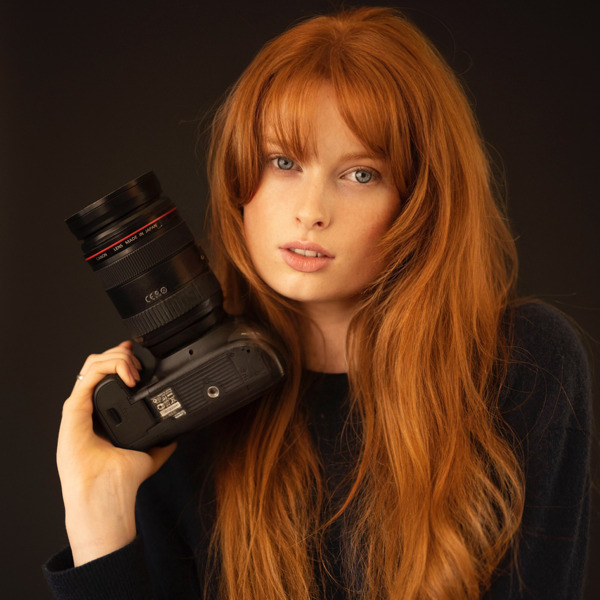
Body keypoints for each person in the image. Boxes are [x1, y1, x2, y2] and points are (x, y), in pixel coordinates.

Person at [44, 6, 591, 599]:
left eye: (361, 175)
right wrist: (97, 516)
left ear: (422, 202)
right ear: (239, 180)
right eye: (284, 162)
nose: (310, 211)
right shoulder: (189, 410)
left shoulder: (520, 362)